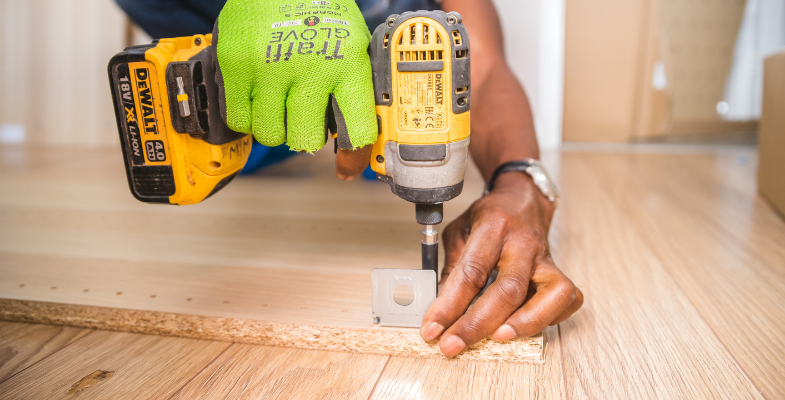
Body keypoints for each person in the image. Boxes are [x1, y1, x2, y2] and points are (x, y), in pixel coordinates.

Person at [115, 0, 584, 357]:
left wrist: (520, 183)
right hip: (238, 83)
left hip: (382, 98)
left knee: (377, 154)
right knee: (253, 155)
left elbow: (477, 69)